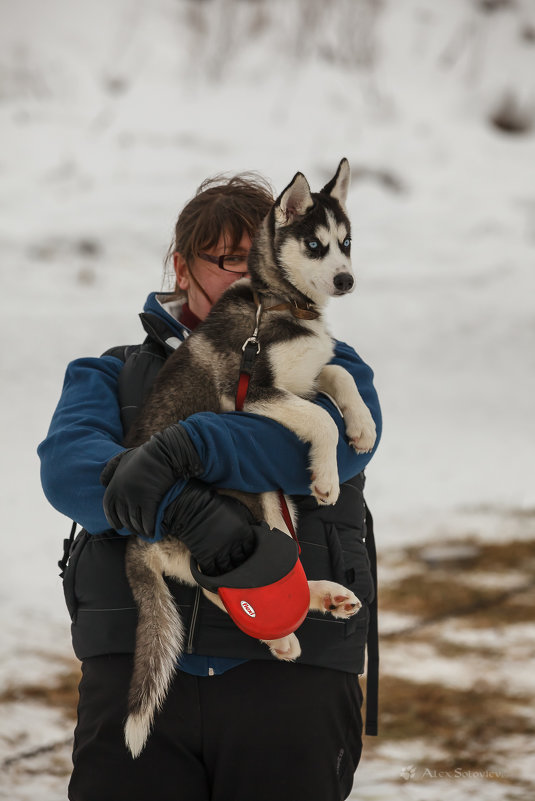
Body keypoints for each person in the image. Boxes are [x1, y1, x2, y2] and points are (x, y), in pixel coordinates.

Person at [38, 172, 382, 801]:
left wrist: (184, 449)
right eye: (227, 258)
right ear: (180, 265)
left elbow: (332, 446)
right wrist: (188, 511)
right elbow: (69, 469)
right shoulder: (108, 373)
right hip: (138, 661)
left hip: (292, 676)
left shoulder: (332, 361)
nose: (248, 271)